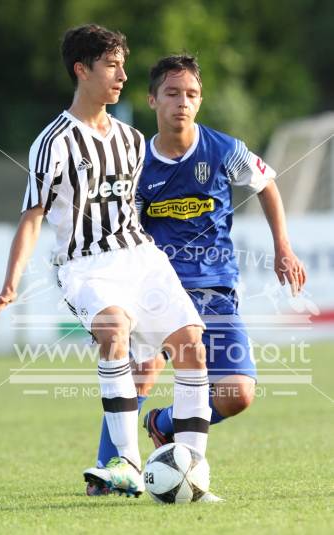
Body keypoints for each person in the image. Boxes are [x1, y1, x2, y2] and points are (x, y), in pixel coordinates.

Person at [0, 32, 215, 499]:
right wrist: (10, 285)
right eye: (112, 65)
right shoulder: (53, 142)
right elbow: (33, 217)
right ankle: (127, 463)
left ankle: (194, 472)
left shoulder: (132, 139)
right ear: (82, 69)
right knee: (114, 328)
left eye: (123, 64)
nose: (123, 75)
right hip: (85, 265)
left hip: (140, 256)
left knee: (192, 345)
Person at [90, 54, 307, 487]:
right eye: (171, 93)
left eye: (190, 94)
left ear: (200, 101)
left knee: (238, 395)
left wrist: (283, 246)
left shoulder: (223, 150)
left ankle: (165, 424)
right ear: (152, 100)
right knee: (143, 369)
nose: (181, 103)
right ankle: (110, 472)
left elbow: (266, 184)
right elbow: (125, 230)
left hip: (216, 289)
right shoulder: (135, 165)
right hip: (157, 289)